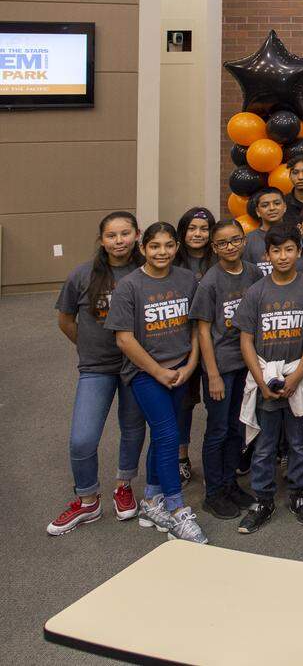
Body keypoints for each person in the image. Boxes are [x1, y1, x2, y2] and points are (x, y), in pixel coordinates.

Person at [105, 221, 207, 543]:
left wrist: (190, 364)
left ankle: (151, 500)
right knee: (168, 435)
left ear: (176, 247)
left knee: (163, 437)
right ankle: (177, 510)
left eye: (168, 245)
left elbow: (194, 326)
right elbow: (124, 340)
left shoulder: (187, 279)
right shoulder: (130, 286)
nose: (161, 252)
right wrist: (158, 372)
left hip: (180, 370)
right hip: (147, 375)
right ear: (143, 248)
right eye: (154, 246)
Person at [48, 212, 146, 536]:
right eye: (111, 235)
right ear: (102, 239)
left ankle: (123, 485)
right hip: (96, 367)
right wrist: (87, 346)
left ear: (136, 234)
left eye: (125, 233)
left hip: (135, 365)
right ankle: (88, 499)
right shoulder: (82, 275)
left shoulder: (146, 270)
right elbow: (65, 321)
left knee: (132, 428)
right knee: (82, 437)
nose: (119, 240)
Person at [234, 226, 303, 534]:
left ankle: (299, 494)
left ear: (299, 252)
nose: (283, 256)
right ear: (267, 255)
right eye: (277, 251)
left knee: (300, 442)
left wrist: (298, 375)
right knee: (265, 443)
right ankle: (262, 499)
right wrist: (261, 381)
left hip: (298, 375)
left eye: (289, 250)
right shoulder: (257, 292)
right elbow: (246, 340)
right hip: (266, 378)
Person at [188, 218, 260, 520]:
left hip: (247, 364)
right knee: (217, 429)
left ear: (243, 241)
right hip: (220, 367)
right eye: (221, 243)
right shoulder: (210, 282)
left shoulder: (254, 273)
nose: (229, 247)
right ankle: (213, 491)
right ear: (214, 247)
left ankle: (230, 483)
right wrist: (213, 373)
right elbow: (203, 331)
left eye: (234, 240)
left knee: (237, 427)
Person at [173, 207, 217, 484]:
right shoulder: (173, 261)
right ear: (183, 231)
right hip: (182, 343)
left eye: (203, 228)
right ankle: (181, 457)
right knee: (184, 404)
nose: (198, 233)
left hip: (216, 342)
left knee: (218, 401)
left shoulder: (218, 260)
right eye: (192, 228)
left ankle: (222, 455)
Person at [245, 187, 289, 276]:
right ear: (257, 211)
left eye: (277, 203)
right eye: (265, 205)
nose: (272, 208)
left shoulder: (297, 235)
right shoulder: (248, 240)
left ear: (284, 207)